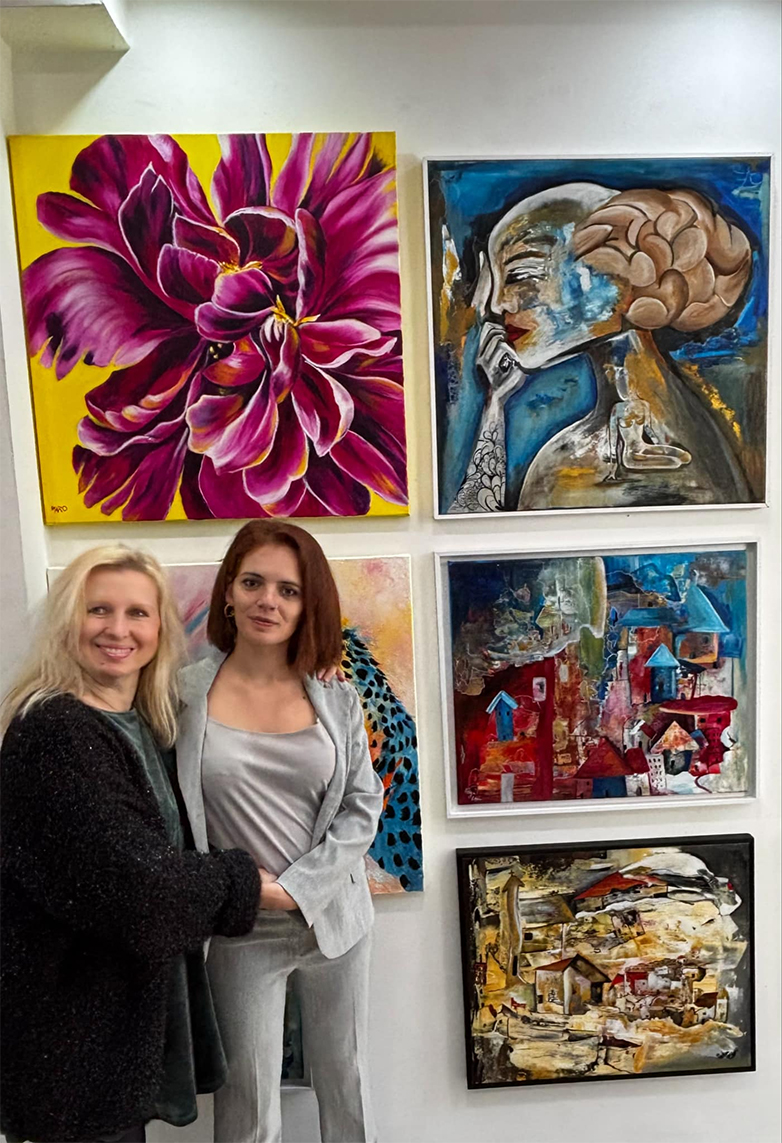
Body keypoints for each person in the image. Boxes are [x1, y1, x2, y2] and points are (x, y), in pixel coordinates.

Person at [0, 546, 262, 1143]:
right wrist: (246, 883)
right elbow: (143, 895)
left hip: (106, 1041)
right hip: (68, 1047)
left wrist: (315, 671)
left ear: (161, 630)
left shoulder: (142, 725)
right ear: (67, 622)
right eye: (98, 610)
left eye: (137, 613)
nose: (118, 630)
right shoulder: (56, 734)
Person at [176, 520, 384, 1143]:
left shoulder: (335, 695)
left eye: (288, 590)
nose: (268, 600)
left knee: (346, 1085)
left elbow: (362, 803)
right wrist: (246, 890)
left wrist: (297, 889)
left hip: (335, 919)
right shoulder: (182, 695)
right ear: (229, 593)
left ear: (307, 603)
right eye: (253, 583)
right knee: (247, 1104)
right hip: (241, 929)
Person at [449, 181, 752, 512]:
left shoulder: (593, 467)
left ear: (616, 278)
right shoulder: (674, 422)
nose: (496, 304)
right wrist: (494, 405)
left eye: (521, 275)